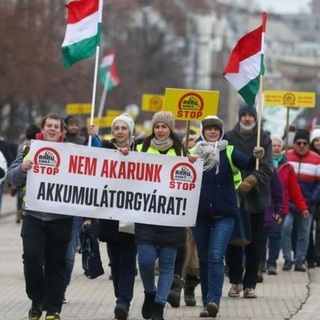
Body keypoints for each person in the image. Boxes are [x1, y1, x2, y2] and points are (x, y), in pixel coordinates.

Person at [187, 115, 264, 318]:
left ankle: (214, 300)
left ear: (221, 132)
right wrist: (187, 161)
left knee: (215, 257)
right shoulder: (193, 153)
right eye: (209, 129)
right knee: (203, 259)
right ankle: (206, 302)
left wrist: (257, 155)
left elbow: (247, 162)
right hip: (199, 215)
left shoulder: (228, 150)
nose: (212, 132)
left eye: (216, 129)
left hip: (225, 215)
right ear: (203, 131)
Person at [6, 113, 73, 320]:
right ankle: (36, 299)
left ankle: (53, 308)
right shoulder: (29, 148)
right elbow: (10, 178)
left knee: (56, 262)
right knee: (32, 259)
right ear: (42, 130)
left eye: (56, 126)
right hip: (33, 216)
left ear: (62, 132)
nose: (52, 129)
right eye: (49, 126)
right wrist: (23, 169)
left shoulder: (72, 152)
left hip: (61, 218)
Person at [135, 111, 186, 320]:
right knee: (145, 261)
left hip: (172, 218)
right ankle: (149, 292)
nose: (161, 130)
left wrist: (192, 162)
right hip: (147, 216)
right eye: (157, 126)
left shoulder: (182, 151)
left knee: (167, 265)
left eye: (164, 126)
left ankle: (158, 305)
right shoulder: (141, 148)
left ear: (171, 129)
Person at [225, 103, 273, 299]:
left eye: (250, 115)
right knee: (234, 241)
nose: (247, 118)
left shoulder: (264, 138)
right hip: (233, 198)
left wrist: (252, 180)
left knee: (255, 243)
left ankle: (250, 284)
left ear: (255, 118)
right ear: (239, 117)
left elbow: (268, 166)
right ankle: (235, 281)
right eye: (243, 115)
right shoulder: (228, 137)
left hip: (256, 199)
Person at [98, 113, 137, 320]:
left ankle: (124, 301)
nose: (120, 132)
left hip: (132, 216)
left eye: (123, 128)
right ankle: (119, 297)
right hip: (110, 216)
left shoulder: (140, 150)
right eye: (116, 128)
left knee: (128, 261)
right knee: (115, 262)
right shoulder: (104, 150)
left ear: (130, 131)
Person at [260, 135, 308, 276]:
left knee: (275, 236)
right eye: (273, 145)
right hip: (264, 206)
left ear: (282, 149)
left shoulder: (287, 167)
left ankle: (272, 263)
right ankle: (260, 263)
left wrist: (302, 207)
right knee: (261, 237)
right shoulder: (261, 163)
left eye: (278, 146)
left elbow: (294, 189)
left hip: (280, 207)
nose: (276, 148)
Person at [282, 129, 320, 271]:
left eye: (305, 143)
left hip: (307, 203)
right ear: (294, 143)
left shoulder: (316, 159)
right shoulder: (286, 157)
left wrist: (313, 199)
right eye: (299, 143)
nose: (302, 145)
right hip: (289, 203)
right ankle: (287, 258)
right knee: (285, 228)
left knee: (304, 233)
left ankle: (300, 260)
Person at [10, 124, 41, 223]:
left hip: (24, 180)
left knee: (20, 197)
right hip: (25, 176)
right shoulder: (27, 146)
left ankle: (18, 214)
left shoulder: (23, 145)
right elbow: (13, 170)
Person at [306, 127, 320, 267]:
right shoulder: (309, 156)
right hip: (310, 199)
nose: (318, 142)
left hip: (316, 198)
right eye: (315, 140)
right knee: (308, 231)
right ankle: (310, 257)